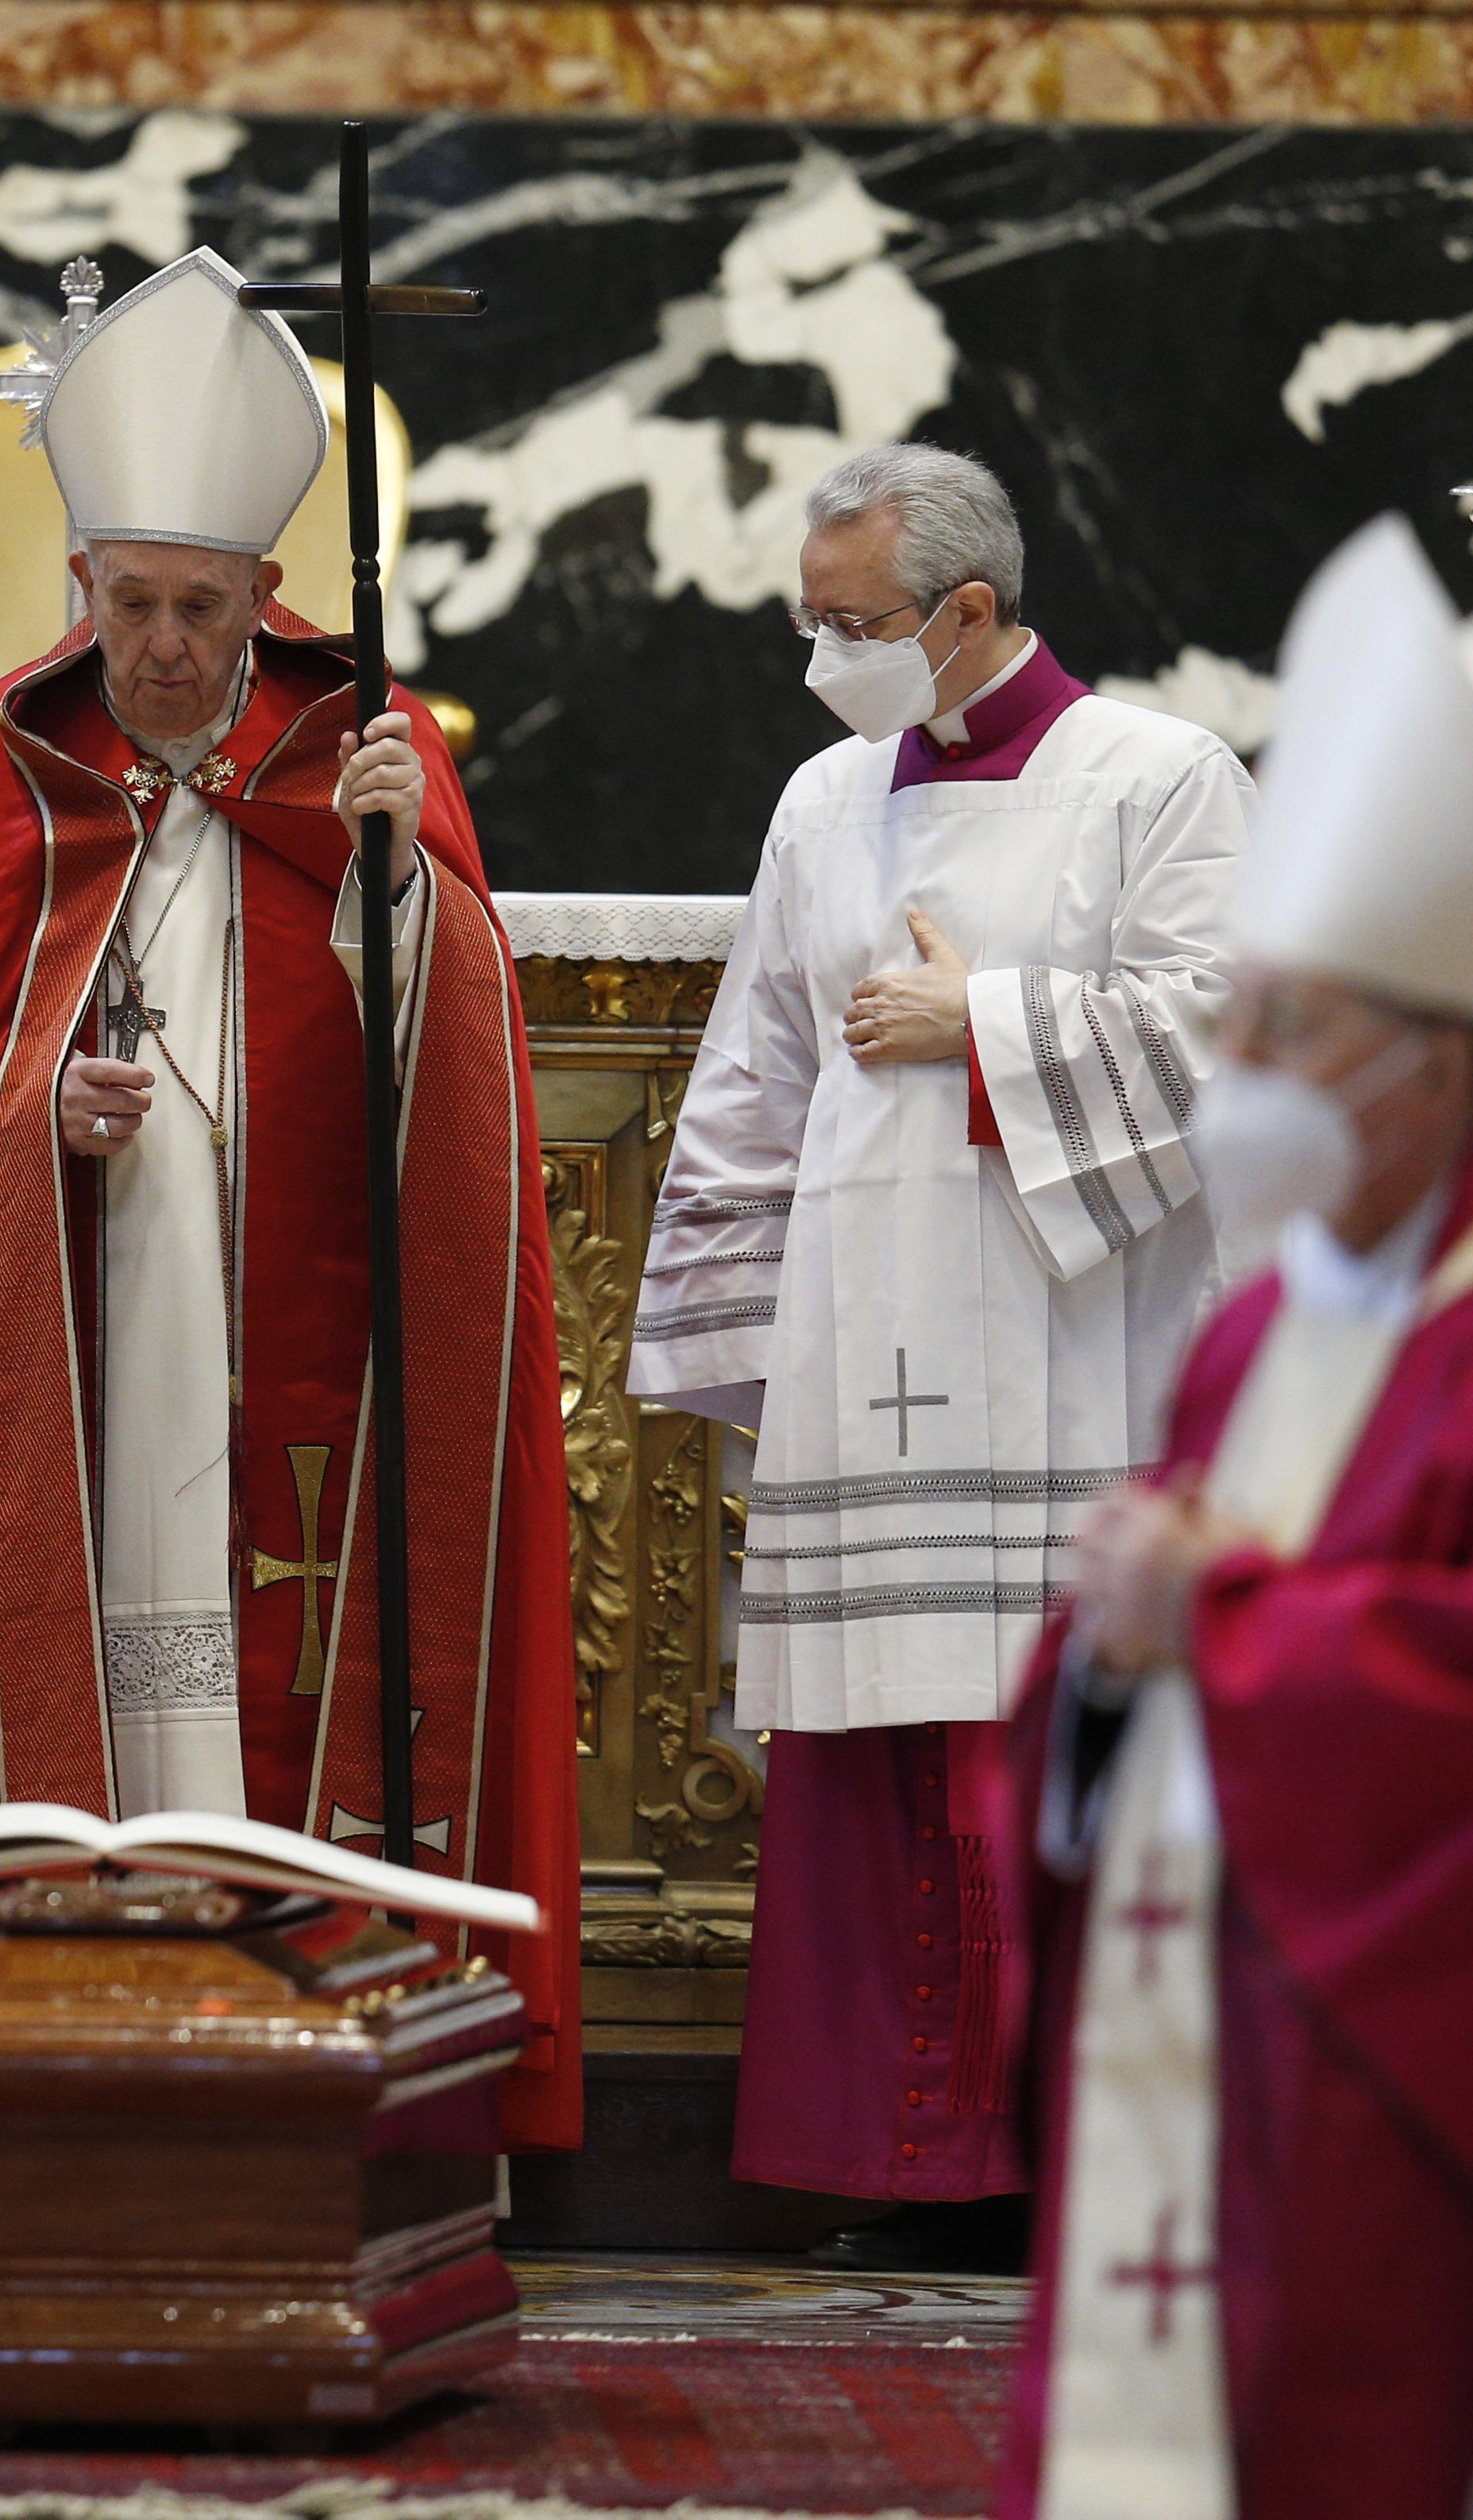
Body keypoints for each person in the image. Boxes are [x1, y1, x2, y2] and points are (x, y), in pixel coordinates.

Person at [0, 247, 582, 2186]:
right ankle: (34, 2059)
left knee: (282, 1654)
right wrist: (30, 1106)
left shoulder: (364, 748)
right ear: (77, 588)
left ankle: (319, 2079)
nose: (156, 647)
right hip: (73, 1325)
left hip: (293, 1330)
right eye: (127, 604)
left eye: (195, 610)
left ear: (259, 598)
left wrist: (399, 887)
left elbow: (455, 1075)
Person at [633, 444, 1246, 2273]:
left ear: (968, 614)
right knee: (874, 1762)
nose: (824, 656)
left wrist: (974, 1022)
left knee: (1034, 1753)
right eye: (809, 620)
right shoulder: (823, 799)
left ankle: (1064, 2173)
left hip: (1078, 1359)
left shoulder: (1157, 775)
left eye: (855, 623)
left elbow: (1230, 1037)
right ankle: (900, 2165)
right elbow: (754, 1068)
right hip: (864, 1341)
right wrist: (739, 1347)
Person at [1001, 515, 1473, 2520]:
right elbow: (1147, 1629)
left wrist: (1232, 1628)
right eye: (1241, 1020)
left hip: (1388, 2083)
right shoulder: (1262, 1328)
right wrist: (1102, 1662)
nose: (1240, 1075)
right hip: (1187, 2026)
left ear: (1441, 1070)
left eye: (1289, 1030)